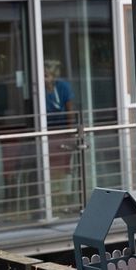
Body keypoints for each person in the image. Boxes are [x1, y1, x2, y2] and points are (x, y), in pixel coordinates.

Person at [44, 59, 76, 211]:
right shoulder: (39, 89)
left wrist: (70, 133)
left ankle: (64, 200)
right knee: (49, 168)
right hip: (46, 132)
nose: (45, 79)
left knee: (64, 168)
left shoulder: (63, 87)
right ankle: (53, 202)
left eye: (47, 75)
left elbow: (70, 110)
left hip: (62, 131)